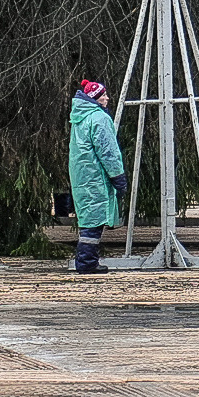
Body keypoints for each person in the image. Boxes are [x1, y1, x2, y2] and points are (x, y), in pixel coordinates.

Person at [67, 79, 126, 274]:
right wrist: (118, 176)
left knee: (88, 218)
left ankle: (86, 261)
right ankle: (87, 263)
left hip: (82, 175)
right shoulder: (99, 119)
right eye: (103, 95)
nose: (107, 98)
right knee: (94, 220)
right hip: (96, 176)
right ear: (95, 99)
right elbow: (108, 151)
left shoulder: (79, 118)